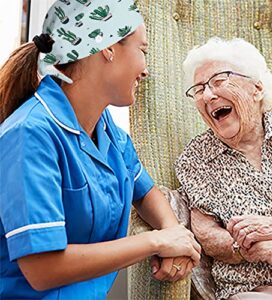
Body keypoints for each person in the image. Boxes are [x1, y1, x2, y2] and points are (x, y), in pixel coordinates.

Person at [0, 1, 201, 299]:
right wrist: (157, 242)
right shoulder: (29, 134)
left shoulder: (105, 128)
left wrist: (175, 234)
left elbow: (144, 191)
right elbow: (42, 269)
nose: (145, 70)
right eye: (142, 51)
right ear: (107, 47)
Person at [174, 37, 272, 300]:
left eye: (219, 81)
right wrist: (266, 248)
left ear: (256, 88)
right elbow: (207, 235)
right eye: (199, 89)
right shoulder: (197, 158)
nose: (208, 95)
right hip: (253, 289)